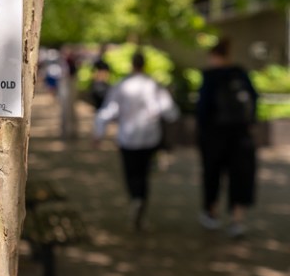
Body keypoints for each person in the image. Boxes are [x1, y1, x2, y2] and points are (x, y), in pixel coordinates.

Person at [93, 51, 179, 230]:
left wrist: (99, 134)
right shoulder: (154, 85)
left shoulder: (122, 85)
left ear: (132, 65)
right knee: (144, 174)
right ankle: (140, 201)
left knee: (131, 173)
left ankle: (135, 198)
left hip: (127, 138)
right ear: (144, 65)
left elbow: (108, 111)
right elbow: (171, 112)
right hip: (150, 138)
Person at [196, 38, 258, 238]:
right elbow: (254, 99)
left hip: (214, 136)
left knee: (212, 175)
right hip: (240, 135)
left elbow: (203, 108)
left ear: (214, 56)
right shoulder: (240, 73)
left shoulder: (210, 76)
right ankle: (237, 220)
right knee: (240, 177)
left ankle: (211, 214)